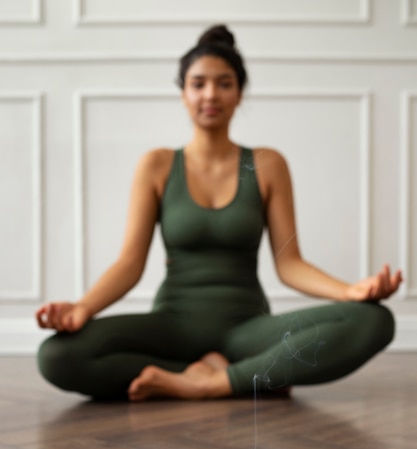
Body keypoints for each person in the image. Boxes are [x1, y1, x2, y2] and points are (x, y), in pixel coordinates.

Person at [36, 25, 402, 402]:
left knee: (374, 320)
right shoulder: (157, 165)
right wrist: (82, 307)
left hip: (247, 329)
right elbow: (129, 264)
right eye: (198, 84)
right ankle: (230, 374)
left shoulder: (266, 164)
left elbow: (290, 264)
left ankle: (215, 381)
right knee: (57, 356)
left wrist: (351, 291)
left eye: (224, 83)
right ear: (183, 93)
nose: (210, 94)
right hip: (172, 326)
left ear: (240, 93)